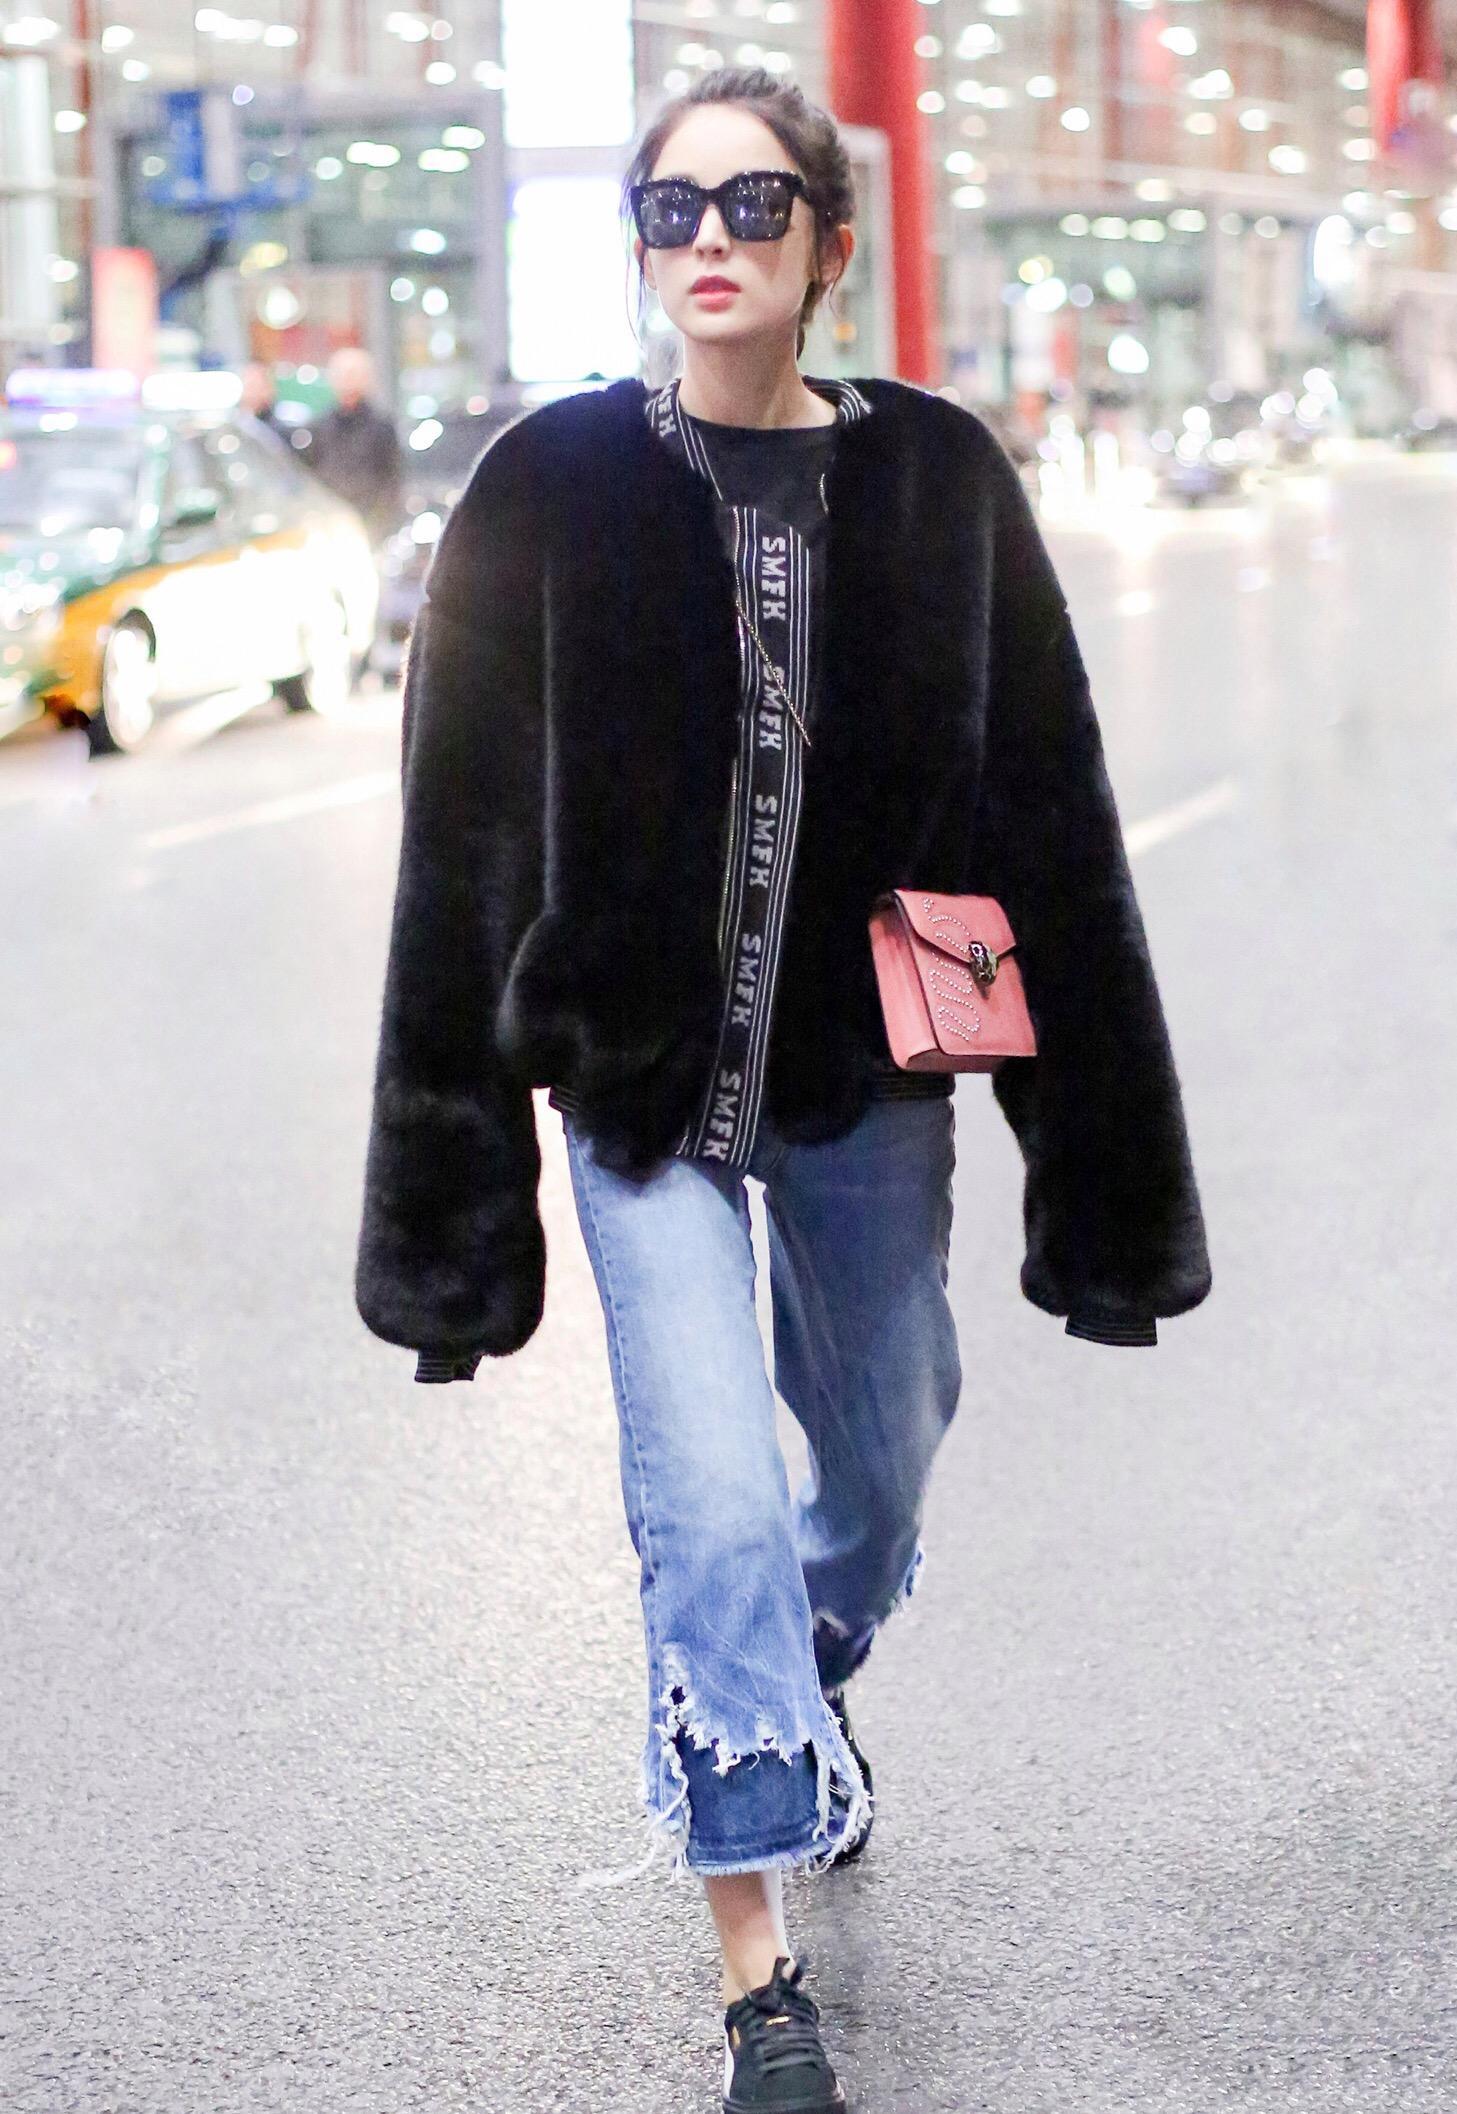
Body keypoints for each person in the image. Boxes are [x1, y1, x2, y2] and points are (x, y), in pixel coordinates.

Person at [354, 66, 1212, 2114]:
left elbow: (1050, 819)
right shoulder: (544, 485)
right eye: (672, 208)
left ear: (830, 243)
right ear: (639, 246)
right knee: (710, 1502)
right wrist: (452, 1227)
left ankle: (793, 1670)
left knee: (881, 1465)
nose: (710, 240)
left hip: (862, 1081)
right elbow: (458, 850)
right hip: (634, 1091)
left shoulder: (940, 480)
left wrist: (1102, 1188)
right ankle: (758, 1967)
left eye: (754, 204)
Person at [305, 346, 402, 540]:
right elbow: (312, 473)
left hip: (371, 521)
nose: (348, 380)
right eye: (342, 374)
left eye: (354, 374)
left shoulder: (381, 426)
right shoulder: (319, 426)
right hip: (330, 523)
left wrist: (381, 523)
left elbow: (392, 478)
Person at [239, 360, 286, 437]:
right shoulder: (234, 420)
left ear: (269, 389)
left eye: (254, 386)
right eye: (247, 385)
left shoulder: (279, 427)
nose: (250, 393)